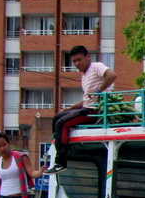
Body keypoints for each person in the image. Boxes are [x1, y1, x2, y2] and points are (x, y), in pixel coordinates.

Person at [43, 45, 117, 175]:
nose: (77, 63)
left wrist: (98, 90)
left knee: (62, 124)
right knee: (56, 118)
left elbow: (112, 75)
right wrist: (73, 107)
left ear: (88, 57)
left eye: (79, 59)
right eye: (74, 61)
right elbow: (88, 98)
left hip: (93, 112)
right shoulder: (84, 76)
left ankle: (61, 162)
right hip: (85, 107)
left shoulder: (96, 67)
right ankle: (60, 150)